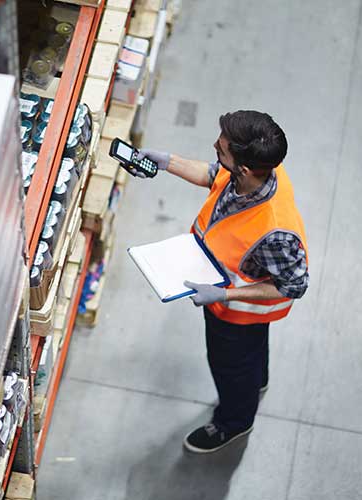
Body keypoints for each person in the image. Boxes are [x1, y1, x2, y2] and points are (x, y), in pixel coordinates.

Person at [136, 110, 309, 453]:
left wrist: (225, 294)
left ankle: (235, 421)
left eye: (222, 149)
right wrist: (168, 162)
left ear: (244, 168)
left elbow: (294, 285)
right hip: (232, 307)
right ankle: (257, 380)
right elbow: (215, 175)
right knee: (251, 360)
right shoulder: (257, 172)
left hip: (236, 315)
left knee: (231, 368)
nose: (215, 147)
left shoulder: (275, 232)